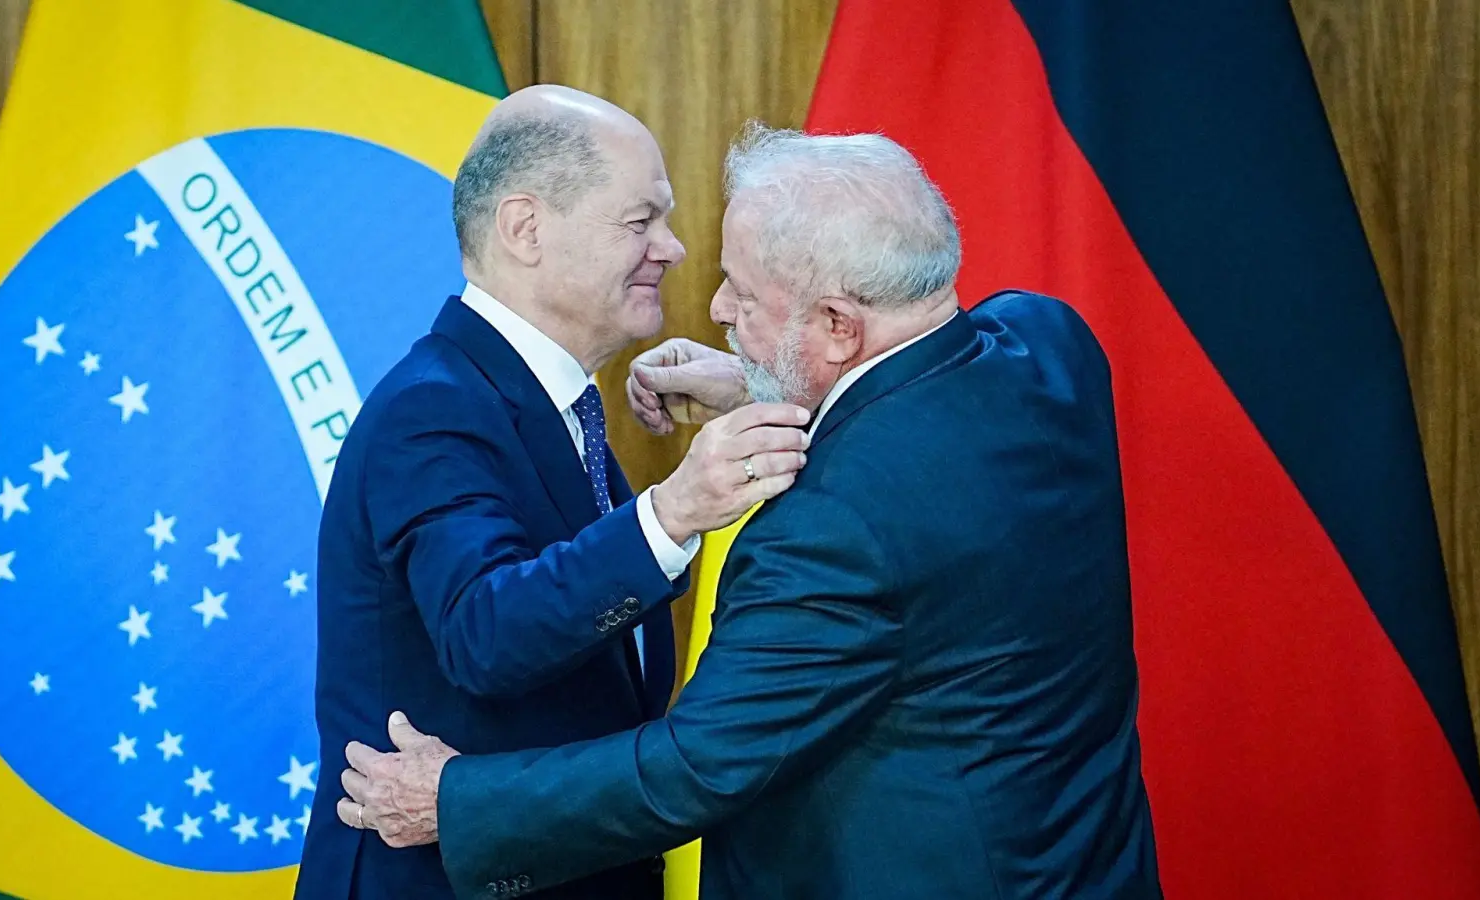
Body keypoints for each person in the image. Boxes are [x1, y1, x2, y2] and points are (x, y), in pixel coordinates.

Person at [332, 122, 1164, 900]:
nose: (715, 301)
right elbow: (926, 372)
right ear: (525, 228)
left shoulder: (831, 529)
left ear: (838, 324)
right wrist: (791, 382)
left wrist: (455, 803)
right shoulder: (1050, 350)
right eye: (640, 220)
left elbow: (696, 765)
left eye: (741, 292)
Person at [292, 91, 811, 900]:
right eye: (640, 222)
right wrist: (674, 511)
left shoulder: (556, 407)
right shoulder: (432, 407)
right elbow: (485, 630)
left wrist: (757, 391)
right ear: (526, 228)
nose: (672, 249)